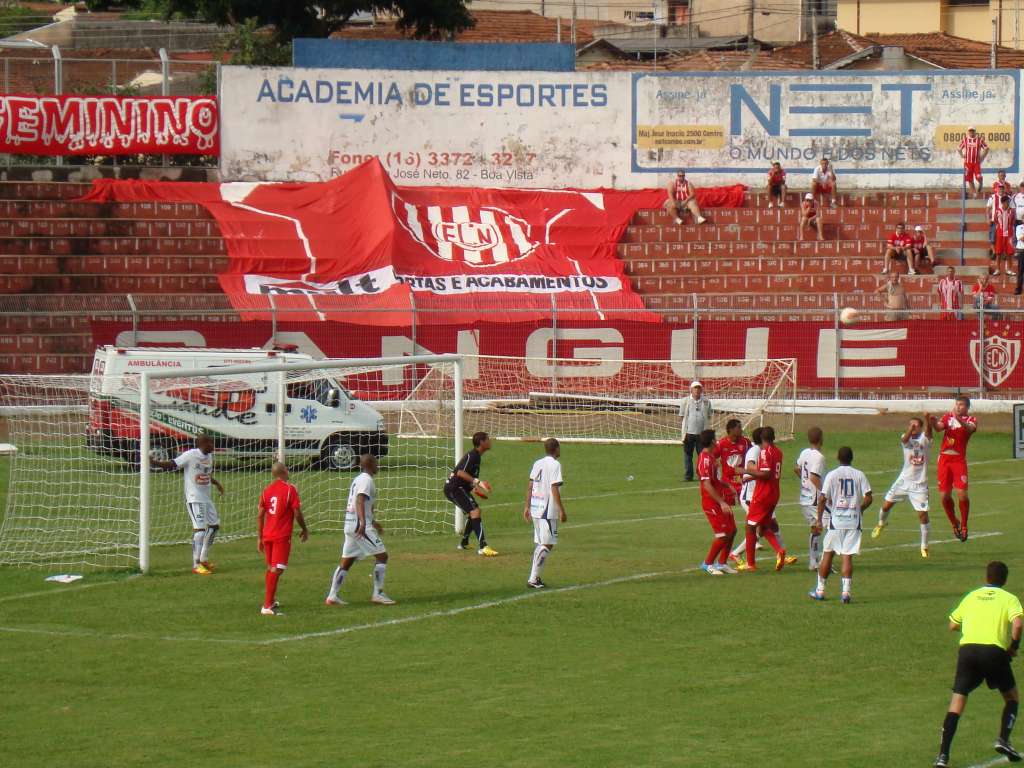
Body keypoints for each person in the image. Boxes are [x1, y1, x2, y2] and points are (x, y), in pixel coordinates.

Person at [933, 561, 1023, 768]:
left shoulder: (972, 596)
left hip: (968, 652)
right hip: (994, 652)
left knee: (957, 702)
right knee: (1012, 697)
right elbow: (1018, 624)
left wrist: (972, 628)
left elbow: (952, 625)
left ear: (986, 577)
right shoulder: (1009, 598)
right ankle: (1003, 739)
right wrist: (1014, 646)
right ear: (1005, 579)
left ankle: (943, 756)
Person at [325, 454, 395, 606]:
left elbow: (363, 503)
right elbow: (360, 500)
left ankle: (332, 596)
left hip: (350, 524)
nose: (378, 466)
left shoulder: (358, 479)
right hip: (359, 525)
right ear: (370, 465)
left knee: (347, 561)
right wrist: (363, 523)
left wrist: (373, 522)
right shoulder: (366, 480)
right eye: (376, 463)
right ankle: (378, 594)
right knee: (382, 556)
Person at [151, 433, 224, 575]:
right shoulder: (190, 455)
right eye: (210, 443)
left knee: (214, 526)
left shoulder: (209, 457)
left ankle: (203, 559)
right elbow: (172, 464)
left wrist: (217, 484)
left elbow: (206, 474)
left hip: (206, 498)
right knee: (200, 531)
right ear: (202, 444)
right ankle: (196, 565)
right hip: (194, 498)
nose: (213, 446)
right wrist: (155, 462)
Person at [808, 446, 872, 604]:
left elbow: (822, 498)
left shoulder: (832, 475)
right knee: (847, 557)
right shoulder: (859, 474)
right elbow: (869, 497)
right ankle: (846, 593)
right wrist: (861, 509)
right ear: (852, 458)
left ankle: (820, 590)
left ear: (838, 458)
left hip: (836, 522)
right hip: (853, 522)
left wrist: (819, 520)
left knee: (828, 554)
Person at [871, 417, 933, 558]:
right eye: (910, 425)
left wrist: (928, 420)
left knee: (923, 515)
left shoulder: (925, 440)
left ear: (921, 427)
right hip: (903, 481)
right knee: (886, 505)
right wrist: (910, 430)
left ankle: (924, 546)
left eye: (915, 425)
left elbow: (929, 433)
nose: (912, 427)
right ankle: (881, 524)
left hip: (919, 484)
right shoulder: (906, 438)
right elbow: (904, 440)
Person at [257, 461, 309, 616]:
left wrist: (259, 537)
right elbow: (297, 512)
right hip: (281, 535)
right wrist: (304, 529)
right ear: (284, 471)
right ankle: (267, 605)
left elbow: (260, 515)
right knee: (277, 569)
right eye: (287, 468)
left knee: (271, 568)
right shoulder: (290, 489)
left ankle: (270, 600)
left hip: (267, 534)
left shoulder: (266, 490)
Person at [737, 426, 788, 572]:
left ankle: (750, 564)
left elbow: (765, 474)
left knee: (750, 526)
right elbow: (769, 474)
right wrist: (750, 477)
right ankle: (779, 550)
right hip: (774, 494)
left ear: (761, 438)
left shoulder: (765, 452)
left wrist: (744, 471)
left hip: (762, 495)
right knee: (764, 525)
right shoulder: (778, 452)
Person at [930, 397, 977, 542]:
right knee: (944, 496)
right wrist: (932, 422)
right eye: (956, 404)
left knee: (962, 494)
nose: (957, 407)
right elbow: (939, 428)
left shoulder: (971, 419)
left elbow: (969, 429)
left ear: (967, 407)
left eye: (961, 405)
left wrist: (958, 418)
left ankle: (964, 525)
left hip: (958, 460)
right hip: (944, 460)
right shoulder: (948, 417)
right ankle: (954, 523)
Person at [445, 431, 498, 556]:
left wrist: (475, 489)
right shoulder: (473, 455)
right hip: (454, 488)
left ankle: (464, 542)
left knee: (474, 513)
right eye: (488, 439)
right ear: (481, 442)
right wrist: (479, 483)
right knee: (475, 511)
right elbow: (460, 473)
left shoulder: (477, 456)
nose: (490, 441)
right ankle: (483, 546)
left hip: (458, 488)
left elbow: (467, 477)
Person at [524, 438, 565, 589]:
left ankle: (535, 577)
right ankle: (533, 578)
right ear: (556, 449)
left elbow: (530, 486)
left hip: (536, 507)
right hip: (546, 510)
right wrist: (561, 509)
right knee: (547, 544)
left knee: (543, 543)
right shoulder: (555, 465)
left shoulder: (537, 463)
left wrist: (527, 506)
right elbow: (554, 488)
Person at [697, 429, 738, 576]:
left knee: (732, 530)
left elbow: (716, 479)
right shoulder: (705, 459)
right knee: (723, 534)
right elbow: (707, 484)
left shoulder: (712, 457)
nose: (717, 440)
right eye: (715, 438)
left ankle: (722, 563)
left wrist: (727, 486)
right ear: (712, 441)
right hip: (712, 502)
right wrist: (721, 502)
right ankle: (707, 563)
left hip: (720, 499)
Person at [795, 427, 826, 571]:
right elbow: (814, 477)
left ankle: (813, 562)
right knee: (831, 525)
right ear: (821, 439)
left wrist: (804, 481)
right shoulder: (819, 457)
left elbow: (797, 468)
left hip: (804, 498)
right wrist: (825, 492)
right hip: (815, 499)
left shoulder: (804, 453)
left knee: (815, 528)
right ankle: (825, 561)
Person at [680, 380, 711, 482]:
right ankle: (688, 476)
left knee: (702, 456)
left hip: (701, 434)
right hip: (688, 433)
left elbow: (708, 416)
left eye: (699, 388)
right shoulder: (685, 401)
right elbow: (682, 416)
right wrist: (684, 431)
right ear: (691, 390)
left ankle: (702, 474)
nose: (697, 390)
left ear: (701, 390)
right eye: (695, 388)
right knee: (687, 455)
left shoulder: (706, 402)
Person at [715, 418, 750, 508]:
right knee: (729, 509)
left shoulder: (746, 442)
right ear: (731, 429)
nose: (741, 429)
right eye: (739, 427)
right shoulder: (721, 444)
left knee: (747, 507)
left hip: (743, 482)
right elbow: (712, 458)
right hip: (728, 483)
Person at [959, 126, 989, 199]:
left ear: (975, 132)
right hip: (967, 163)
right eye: (970, 131)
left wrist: (982, 157)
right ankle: (974, 193)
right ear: (968, 132)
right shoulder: (965, 140)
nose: (971, 132)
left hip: (976, 163)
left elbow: (986, 148)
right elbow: (959, 148)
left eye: (972, 131)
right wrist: (962, 155)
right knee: (969, 179)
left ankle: (980, 183)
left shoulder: (979, 140)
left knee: (979, 176)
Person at [993, 195, 1017, 277]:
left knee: (1009, 253)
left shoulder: (1011, 211)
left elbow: (1013, 221)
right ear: (1003, 203)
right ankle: (997, 269)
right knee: (998, 252)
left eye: (1009, 202)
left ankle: (1009, 269)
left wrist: (1009, 228)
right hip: (1000, 234)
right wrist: (1000, 228)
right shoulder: (998, 211)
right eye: (1007, 202)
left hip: (1009, 234)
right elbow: (995, 220)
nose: (1008, 203)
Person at [1017, 219, 1024, 296]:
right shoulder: (1019, 227)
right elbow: (1021, 238)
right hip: (1022, 251)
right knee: (1020, 271)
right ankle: (1018, 289)